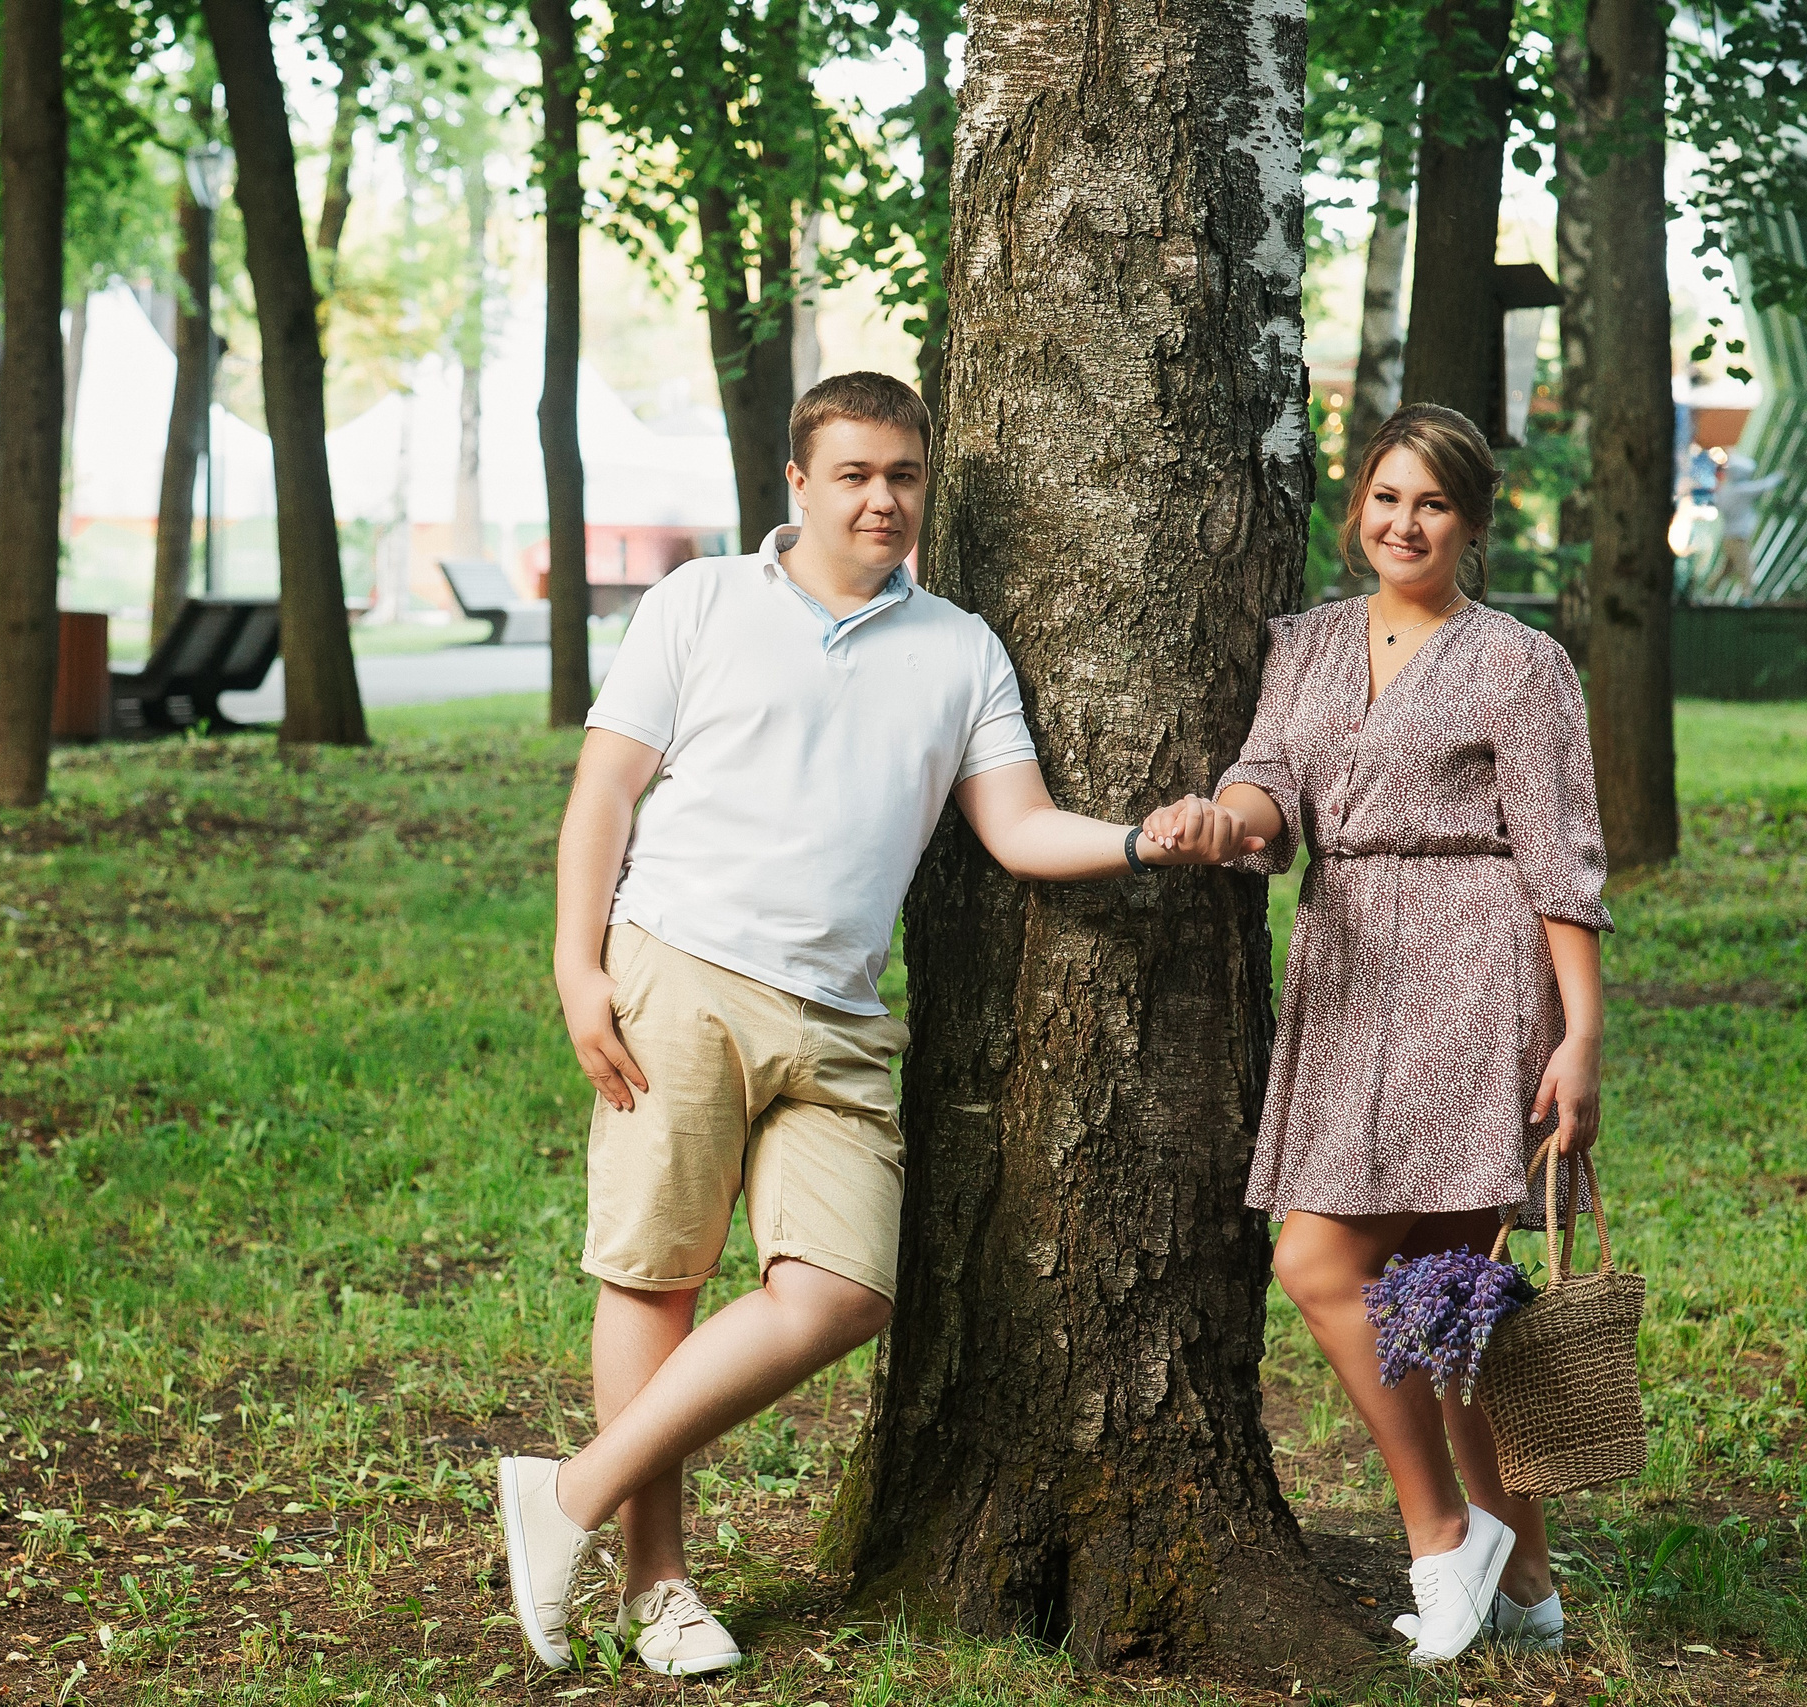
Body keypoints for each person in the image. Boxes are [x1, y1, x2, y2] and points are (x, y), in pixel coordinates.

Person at [500, 371, 1256, 1676]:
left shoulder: (959, 647)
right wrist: (578, 967)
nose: (882, 498)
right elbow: (605, 792)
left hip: (842, 1016)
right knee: (657, 1274)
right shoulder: (703, 603)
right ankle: (657, 1579)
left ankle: (567, 1492)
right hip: (678, 971)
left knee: (844, 1288)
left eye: (903, 474)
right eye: (853, 473)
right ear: (796, 483)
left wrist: (1145, 835)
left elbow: (1016, 826)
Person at [1145, 402, 1610, 1666]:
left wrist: (1578, 1037)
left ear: (1471, 523)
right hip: (1349, 965)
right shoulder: (1300, 644)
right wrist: (1220, 819)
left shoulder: (1518, 663)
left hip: (1476, 963)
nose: (1404, 524)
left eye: (1434, 505)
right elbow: (1267, 782)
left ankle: (1442, 1536)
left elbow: (1560, 857)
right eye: (1386, 498)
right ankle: (1529, 1590)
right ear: (1356, 504)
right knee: (1442, 1300)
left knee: (1322, 1264)